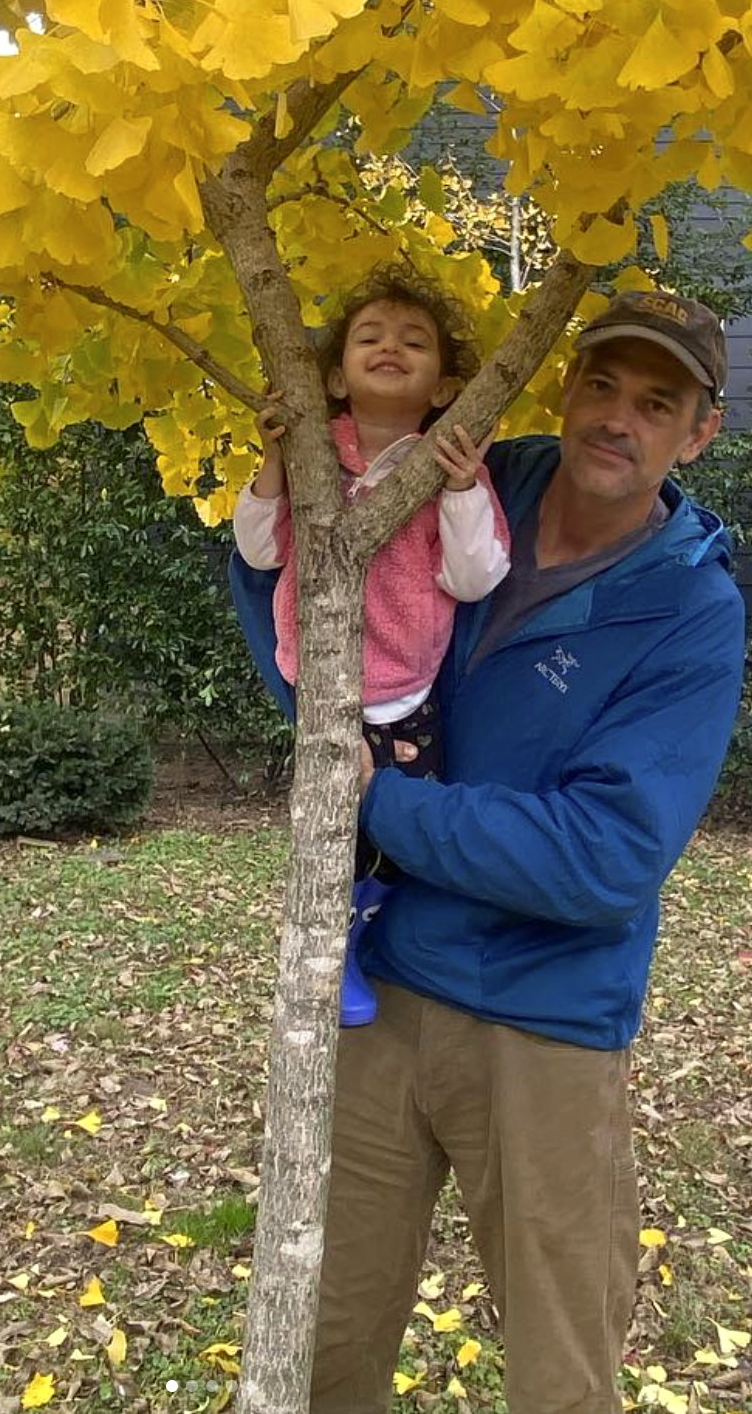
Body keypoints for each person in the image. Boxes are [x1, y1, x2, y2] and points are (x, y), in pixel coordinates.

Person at [230, 287, 746, 1414]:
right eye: (600, 383)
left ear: (697, 432)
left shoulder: (688, 609)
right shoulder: (465, 480)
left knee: (560, 1369)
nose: (617, 417)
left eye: (656, 403)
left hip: (542, 1021)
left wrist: (382, 808)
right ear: (565, 386)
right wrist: (321, 711)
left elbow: (606, 855)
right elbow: (320, 607)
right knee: (326, 1330)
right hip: (380, 989)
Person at [232, 267, 511, 1025]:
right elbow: (258, 552)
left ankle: (378, 924)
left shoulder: (454, 466)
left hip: (407, 694)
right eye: (370, 337)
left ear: (448, 385)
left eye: (414, 341)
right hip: (323, 684)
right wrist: (277, 462)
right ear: (333, 372)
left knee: (402, 834)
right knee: (333, 835)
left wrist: (458, 489)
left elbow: (477, 573)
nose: (391, 347)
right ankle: (336, 948)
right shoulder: (314, 451)